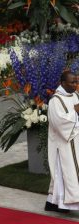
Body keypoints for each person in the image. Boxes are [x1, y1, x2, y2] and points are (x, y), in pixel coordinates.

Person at [45, 70, 79, 213]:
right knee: (67, 174)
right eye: (73, 82)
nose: (76, 85)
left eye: (76, 82)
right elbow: (60, 123)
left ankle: (53, 203)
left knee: (63, 176)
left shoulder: (75, 95)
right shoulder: (55, 101)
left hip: (75, 141)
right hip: (63, 144)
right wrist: (76, 111)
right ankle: (67, 203)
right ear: (63, 83)